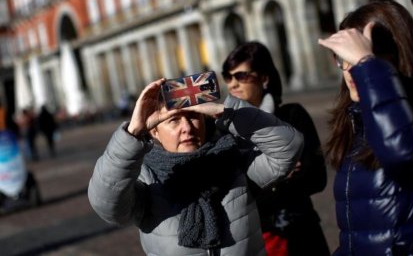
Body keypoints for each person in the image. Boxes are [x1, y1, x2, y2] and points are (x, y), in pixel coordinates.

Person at [88, 77, 304, 255]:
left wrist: (228, 112)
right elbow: (107, 204)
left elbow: (289, 147)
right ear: (154, 131)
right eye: (174, 120)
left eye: (193, 117)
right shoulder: (145, 177)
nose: (187, 128)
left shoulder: (233, 160)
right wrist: (132, 133)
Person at [318, 0, 413, 255]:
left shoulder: (405, 118)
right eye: (343, 58)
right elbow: (353, 232)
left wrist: (367, 65)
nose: (350, 69)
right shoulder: (354, 122)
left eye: (358, 55)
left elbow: (402, 154)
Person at [221, 41, 330, 256]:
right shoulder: (226, 130)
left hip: (302, 234)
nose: (233, 84)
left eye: (241, 76)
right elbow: (231, 192)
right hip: (256, 239)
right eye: (228, 76)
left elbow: (316, 177)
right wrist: (282, 174)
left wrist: (257, 183)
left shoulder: (292, 116)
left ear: (264, 78)